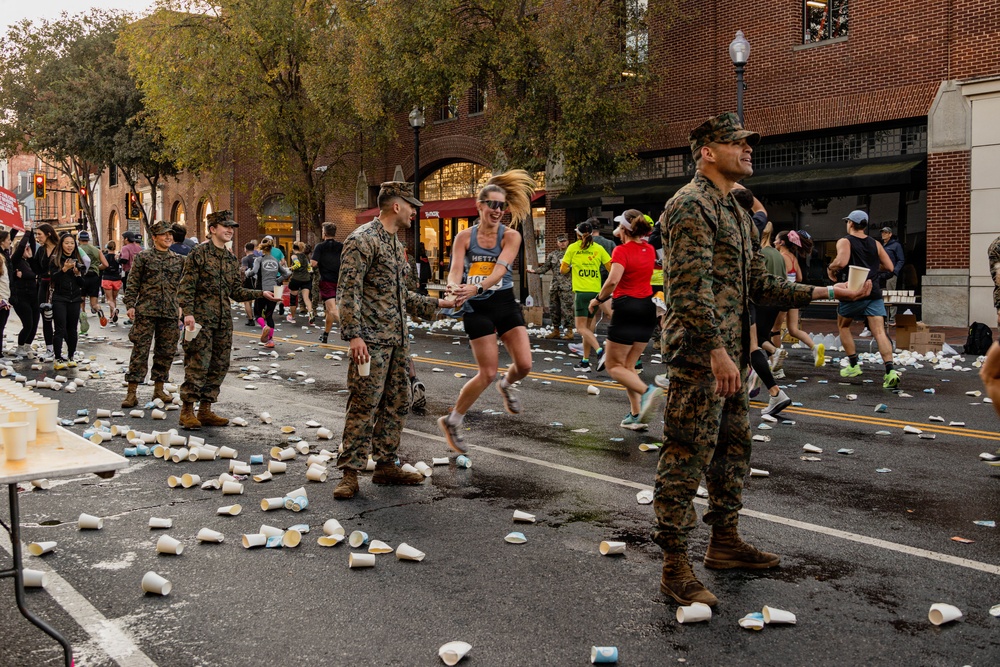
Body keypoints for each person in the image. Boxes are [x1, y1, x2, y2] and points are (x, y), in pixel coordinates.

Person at [654, 112, 870, 608]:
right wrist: (715, 352)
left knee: (733, 450)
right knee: (686, 455)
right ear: (708, 151)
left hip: (729, 355)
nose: (750, 149)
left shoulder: (732, 208)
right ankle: (673, 567)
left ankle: (724, 543)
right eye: (739, 143)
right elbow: (687, 292)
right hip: (701, 357)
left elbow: (762, 284)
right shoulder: (691, 205)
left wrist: (828, 290)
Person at [334, 182, 455, 499]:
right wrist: (354, 335)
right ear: (396, 206)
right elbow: (349, 292)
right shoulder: (362, 240)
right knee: (363, 404)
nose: (415, 211)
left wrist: (437, 304)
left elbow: (400, 297)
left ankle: (385, 464)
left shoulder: (394, 245)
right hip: (370, 341)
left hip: (397, 341)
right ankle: (350, 473)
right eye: (411, 205)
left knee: (397, 403)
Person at [436, 171, 537, 454]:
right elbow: (456, 269)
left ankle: (508, 384)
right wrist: (453, 288)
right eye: (492, 205)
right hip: (476, 308)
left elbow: (499, 270)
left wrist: (475, 288)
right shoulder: (464, 237)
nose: (497, 211)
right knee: (487, 372)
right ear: (479, 206)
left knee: (525, 365)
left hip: (502, 302)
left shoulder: (512, 236)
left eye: (501, 206)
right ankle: (453, 420)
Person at [176, 211, 275, 429]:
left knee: (218, 365)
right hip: (201, 319)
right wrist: (188, 313)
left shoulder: (230, 258)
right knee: (197, 364)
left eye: (231, 227)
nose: (230, 230)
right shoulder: (199, 253)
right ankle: (187, 411)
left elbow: (235, 291)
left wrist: (261, 294)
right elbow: (186, 285)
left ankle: (205, 410)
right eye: (225, 226)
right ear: (212, 229)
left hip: (222, 322)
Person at [587, 210, 661, 430]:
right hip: (647, 309)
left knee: (613, 365)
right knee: (628, 365)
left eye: (619, 225)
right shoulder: (649, 250)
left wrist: (597, 300)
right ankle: (636, 415)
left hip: (627, 307)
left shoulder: (621, 250)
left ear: (625, 229)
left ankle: (647, 392)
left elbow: (612, 281)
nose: (616, 228)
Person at [828, 210, 898, 388]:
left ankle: (853, 365)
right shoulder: (875, 243)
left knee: (843, 326)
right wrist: (872, 266)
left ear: (850, 223)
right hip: (873, 291)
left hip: (854, 291)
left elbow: (841, 262)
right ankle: (890, 371)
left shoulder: (845, 241)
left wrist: (831, 267)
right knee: (880, 332)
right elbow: (889, 266)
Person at [121, 221, 186, 408]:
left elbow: (184, 286)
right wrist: (130, 304)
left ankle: (159, 389)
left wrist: (183, 308)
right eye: (164, 234)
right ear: (154, 237)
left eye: (170, 235)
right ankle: (132, 392)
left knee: (165, 352)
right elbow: (133, 282)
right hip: (146, 311)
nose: (168, 237)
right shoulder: (144, 257)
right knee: (140, 351)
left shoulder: (178, 260)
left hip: (170, 312)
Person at [560, 220, 611, 371]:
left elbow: (563, 270)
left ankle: (601, 352)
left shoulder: (573, 248)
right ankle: (585, 362)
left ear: (578, 234)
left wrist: (570, 267)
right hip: (596, 292)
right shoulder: (598, 248)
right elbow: (610, 267)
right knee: (588, 329)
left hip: (581, 293)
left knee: (581, 328)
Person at [773, 230, 823, 368]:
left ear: (782, 242)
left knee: (775, 329)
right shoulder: (793, 258)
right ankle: (814, 347)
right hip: (794, 295)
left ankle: (776, 360)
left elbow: (779, 278)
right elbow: (799, 278)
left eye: (776, 239)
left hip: (784, 296)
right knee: (793, 329)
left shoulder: (781, 257)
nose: (774, 242)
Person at [527, 234, 574, 340]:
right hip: (554, 286)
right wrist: (535, 271)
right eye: (560, 241)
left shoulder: (572, 254)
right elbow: (545, 267)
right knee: (554, 309)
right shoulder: (552, 255)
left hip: (567, 285)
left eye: (564, 241)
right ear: (557, 243)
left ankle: (569, 331)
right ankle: (556, 330)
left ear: (568, 241)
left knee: (567, 309)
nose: (562, 243)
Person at [48, 233, 85, 368]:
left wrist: (77, 274)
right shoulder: (55, 260)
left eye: (72, 243)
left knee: (72, 329)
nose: (69, 246)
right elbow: (53, 279)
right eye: (66, 243)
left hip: (74, 298)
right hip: (60, 298)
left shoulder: (78, 260)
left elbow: (82, 283)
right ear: (61, 244)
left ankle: (71, 356)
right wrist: (64, 269)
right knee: (60, 328)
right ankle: (58, 357)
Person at [246, 237, 290, 347]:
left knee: (257, 313)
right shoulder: (275, 261)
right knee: (269, 315)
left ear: (262, 248)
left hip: (261, 289)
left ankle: (264, 327)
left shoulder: (259, 259)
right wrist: (277, 280)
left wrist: (247, 273)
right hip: (274, 289)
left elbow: (254, 272)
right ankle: (270, 341)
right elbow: (286, 274)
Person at [310, 222, 343, 345]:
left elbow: (313, 263)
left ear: (324, 233)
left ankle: (353, 332)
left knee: (333, 310)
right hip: (340, 281)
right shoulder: (341, 246)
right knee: (329, 311)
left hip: (327, 281)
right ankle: (325, 334)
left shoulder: (320, 246)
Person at [31, 223, 59, 357]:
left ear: (48, 234)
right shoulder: (41, 250)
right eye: (36, 234)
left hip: (58, 286)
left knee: (59, 317)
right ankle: (49, 349)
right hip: (43, 285)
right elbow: (36, 269)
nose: (38, 237)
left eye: (39, 234)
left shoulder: (60, 248)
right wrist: (30, 257)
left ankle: (60, 348)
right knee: (45, 316)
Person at [9, 230, 38, 357]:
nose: (28, 250)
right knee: (28, 323)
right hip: (21, 296)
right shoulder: (15, 261)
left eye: (29, 248)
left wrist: (31, 232)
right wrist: (25, 233)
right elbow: (21, 247)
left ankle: (27, 345)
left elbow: (32, 243)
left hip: (33, 296)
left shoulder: (30, 262)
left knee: (35, 322)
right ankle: (20, 346)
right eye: (26, 249)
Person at [77, 231, 108, 328]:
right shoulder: (96, 250)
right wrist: (96, 268)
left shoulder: (77, 249)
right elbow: (106, 264)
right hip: (94, 277)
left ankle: (83, 318)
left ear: (78, 239)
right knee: (94, 303)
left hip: (82, 276)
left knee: (81, 301)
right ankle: (99, 310)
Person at [880, 226, 904, 324]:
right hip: (881, 274)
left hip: (890, 274)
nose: (883, 234)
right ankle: (884, 316)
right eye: (882, 232)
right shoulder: (881, 246)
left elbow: (901, 260)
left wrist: (895, 271)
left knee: (891, 295)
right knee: (882, 295)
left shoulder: (896, 245)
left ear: (890, 234)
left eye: (885, 232)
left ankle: (892, 318)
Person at [286, 241, 313, 325]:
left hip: (296, 279)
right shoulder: (305, 257)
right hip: (306, 279)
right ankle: (311, 314)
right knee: (306, 298)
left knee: (293, 299)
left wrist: (290, 268)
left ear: (294, 249)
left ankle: (293, 317)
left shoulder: (294, 256)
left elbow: (297, 265)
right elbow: (309, 268)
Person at [101, 241, 123, 326]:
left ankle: (113, 310)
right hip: (117, 279)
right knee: (114, 299)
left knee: (109, 300)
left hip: (107, 279)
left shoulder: (105, 257)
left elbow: (102, 266)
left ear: (107, 247)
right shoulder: (117, 257)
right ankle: (112, 316)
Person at [118, 231, 142, 298]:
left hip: (129, 272)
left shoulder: (125, 248)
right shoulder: (139, 248)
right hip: (139, 271)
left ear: (126, 239)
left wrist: (117, 259)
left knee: (129, 292)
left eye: (123, 238)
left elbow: (125, 259)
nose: (122, 240)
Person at [240, 241, 258, 326]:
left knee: (247, 300)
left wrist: (239, 269)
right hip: (258, 280)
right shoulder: (258, 257)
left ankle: (250, 319)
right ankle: (257, 315)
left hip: (248, 280)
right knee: (256, 298)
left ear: (245, 249)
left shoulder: (245, 259)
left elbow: (244, 269)